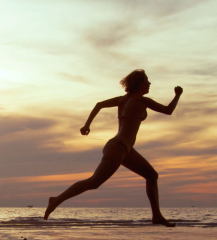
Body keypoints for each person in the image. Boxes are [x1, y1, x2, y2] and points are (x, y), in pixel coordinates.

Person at [44, 69, 182, 225]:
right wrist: (177, 95)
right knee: (94, 182)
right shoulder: (143, 101)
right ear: (139, 84)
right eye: (147, 81)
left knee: (152, 175)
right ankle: (56, 200)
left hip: (123, 148)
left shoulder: (122, 100)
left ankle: (156, 216)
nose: (150, 83)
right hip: (118, 148)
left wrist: (87, 125)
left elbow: (99, 105)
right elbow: (168, 110)